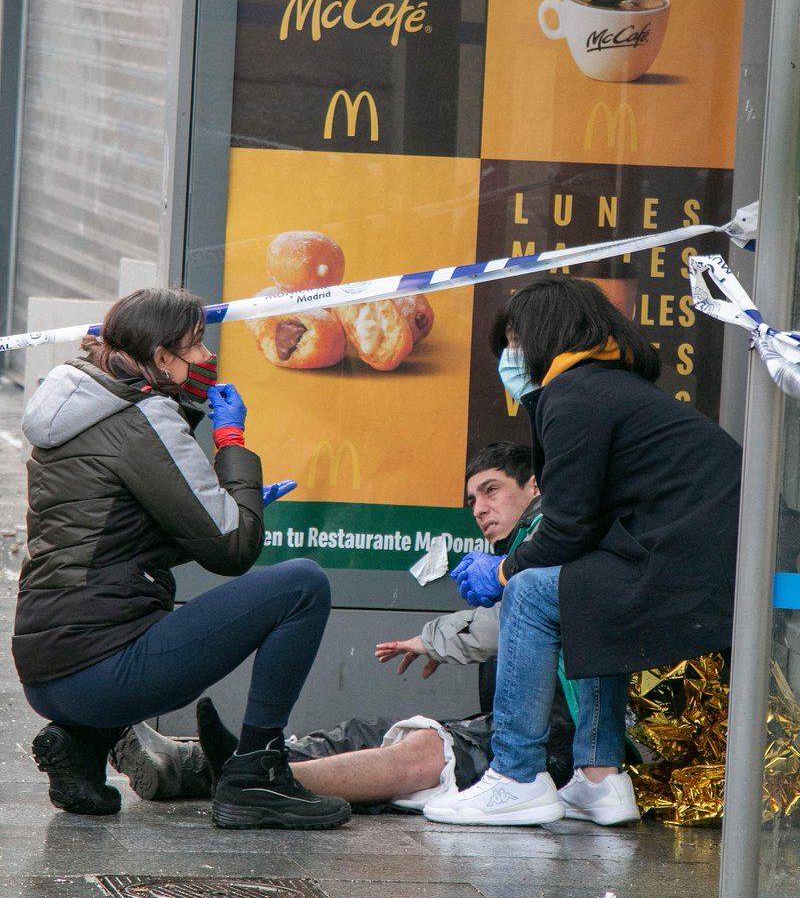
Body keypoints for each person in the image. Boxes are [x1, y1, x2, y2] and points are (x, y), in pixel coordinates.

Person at [12, 286, 350, 830]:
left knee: (141, 613)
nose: (207, 358)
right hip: (102, 669)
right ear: (162, 357)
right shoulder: (142, 417)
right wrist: (231, 442)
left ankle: (81, 744)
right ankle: (256, 778)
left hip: (46, 669)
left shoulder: (76, 407)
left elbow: (122, 538)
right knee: (303, 585)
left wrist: (228, 500)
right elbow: (233, 549)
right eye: (195, 346)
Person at [422, 274, 742, 827]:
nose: (511, 356)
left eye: (516, 341)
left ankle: (516, 776)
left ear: (546, 334)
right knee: (578, 588)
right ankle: (600, 780)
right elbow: (585, 535)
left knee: (530, 590)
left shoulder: (573, 394)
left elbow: (567, 528)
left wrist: (502, 570)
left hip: (696, 565)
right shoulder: (607, 385)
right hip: (708, 559)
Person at [109, 442, 578, 810]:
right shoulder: (513, 558)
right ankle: (199, 765)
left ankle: (244, 779)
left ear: (534, 488)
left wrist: (434, 638)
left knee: (422, 748)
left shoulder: (551, 542)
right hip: (521, 728)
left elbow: (518, 622)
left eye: (491, 490)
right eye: (472, 498)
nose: (478, 508)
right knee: (369, 733)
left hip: (565, 742)